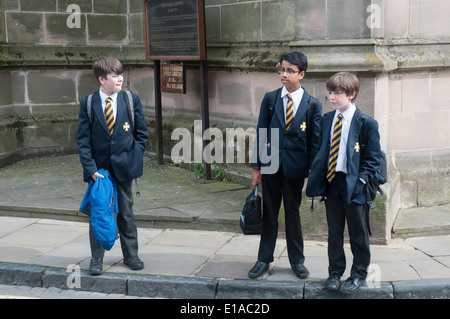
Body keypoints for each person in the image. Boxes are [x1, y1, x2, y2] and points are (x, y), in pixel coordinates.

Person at [249, 52, 322, 279]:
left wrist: (314, 171)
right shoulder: (271, 99)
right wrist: (256, 167)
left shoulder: (312, 105)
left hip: (295, 168)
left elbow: (315, 142)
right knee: (269, 212)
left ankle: (297, 261)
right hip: (271, 165)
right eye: (281, 69)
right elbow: (261, 133)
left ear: (301, 74)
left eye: (290, 71)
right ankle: (263, 259)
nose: (284, 74)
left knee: (292, 213)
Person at [306, 72, 381, 294]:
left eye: (337, 93)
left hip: (354, 184)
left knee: (358, 233)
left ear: (351, 94)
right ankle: (335, 273)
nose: (331, 97)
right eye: (330, 93)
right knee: (334, 232)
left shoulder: (367, 123)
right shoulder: (328, 119)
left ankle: (358, 275)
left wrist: (361, 180)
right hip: (332, 182)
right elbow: (320, 150)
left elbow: (373, 159)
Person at [77, 56, 148, 275]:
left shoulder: (130, 99)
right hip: (100, 173)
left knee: (126, 213)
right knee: (99, 214)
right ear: (101, 79)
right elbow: (83, 141)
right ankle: (97, 259)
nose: (120, 79)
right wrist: (91, 169)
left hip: (125, 167)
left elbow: (142, 133)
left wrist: (134, 156)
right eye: (115, 76)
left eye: (121, 74)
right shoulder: (88, 104)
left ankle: (131, 256)